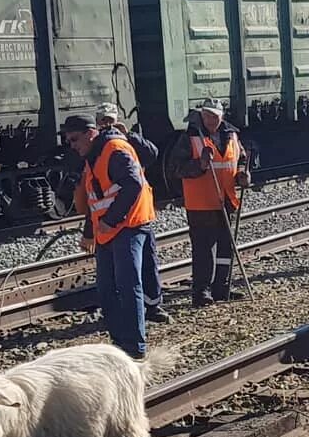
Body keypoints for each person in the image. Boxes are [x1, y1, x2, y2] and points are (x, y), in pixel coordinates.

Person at [63, 113, 156, 360]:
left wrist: (109, 220)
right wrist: (89, 232)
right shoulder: (94, 156)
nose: (72, 146)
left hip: (129, 226)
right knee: (106, 288)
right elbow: (97, 200)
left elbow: (133, 185)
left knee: (128, 285)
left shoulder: (114, 149)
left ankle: (135, 348)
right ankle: (118, 344)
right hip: (109, 230)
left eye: (74, 139)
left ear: (90, 133)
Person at [94, 103, 170, 324]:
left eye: (110, 120)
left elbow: (152, 154)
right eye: (103, 120)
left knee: (148, 263)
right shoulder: (101, 147)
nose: (107, 124)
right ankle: (128, 312)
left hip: (140, 214)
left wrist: (130, 135)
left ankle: (153, 306)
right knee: (126, 273)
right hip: (117, 220)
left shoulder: (127, 141)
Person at [170, 97, 250, 306]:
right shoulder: (190, 137)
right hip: (201, 203)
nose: (210, 119)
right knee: (204, 250)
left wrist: (242, 173)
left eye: (214, 116)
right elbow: (176, 167)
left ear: (221, 116)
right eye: (206, 115)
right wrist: (201, 164)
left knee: (226, 247)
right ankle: (201, 292)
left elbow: (240, 159)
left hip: (227, 199)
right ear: (201, 115)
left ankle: (222, 287)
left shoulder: (231, 134)